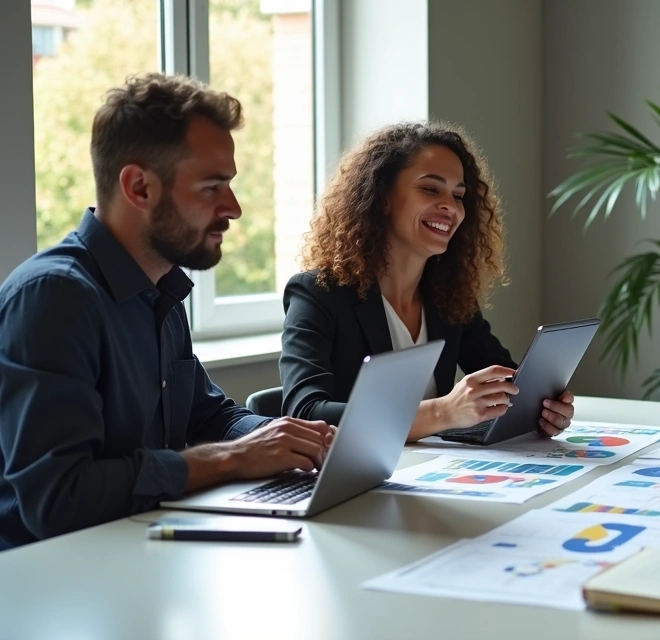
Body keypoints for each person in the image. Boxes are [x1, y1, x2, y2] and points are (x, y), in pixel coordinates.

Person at [0, 73, 335, 552]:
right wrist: (233, 459)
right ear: (139, 187)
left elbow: (207, 414)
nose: (234, 208)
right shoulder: (53, 298)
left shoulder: (160, 287)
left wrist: (296, 439)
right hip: (51, 584)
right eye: (211, 187)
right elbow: (59, 498)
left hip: (138, 552)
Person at [279, 122, 575, 442]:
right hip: (356, 484)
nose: (450, 206)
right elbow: (304, 413)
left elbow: (509, 383)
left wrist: (541, 408)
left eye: (459, 195)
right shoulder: (317, 294)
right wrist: (443, 412)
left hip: (433, 474)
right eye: (431, 189)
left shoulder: (449, 296)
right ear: (382, 197)